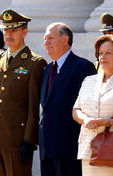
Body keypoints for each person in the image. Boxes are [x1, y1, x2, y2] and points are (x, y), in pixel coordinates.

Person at [0, 9, 47, 176]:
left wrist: (29, 141)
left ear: (24, 32)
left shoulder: (34, 63)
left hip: (18, 139)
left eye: (14, 30)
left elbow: (34, 107)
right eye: (6, 30)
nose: (8, 34)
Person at [72, 35, 113, 176]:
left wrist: (105, 122)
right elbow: (76, 110)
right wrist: (85, 120)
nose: (103, 57)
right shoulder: (88, 80)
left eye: (108, 53)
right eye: (100, 53)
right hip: (88, 149)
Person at [39, 22, 96, 176]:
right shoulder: (46, 70)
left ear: (65, 40)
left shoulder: (83, 67)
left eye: (50, 38)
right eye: (45, 39)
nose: (46, 43)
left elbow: (88, 107)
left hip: (69, 148)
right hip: (47, 149)